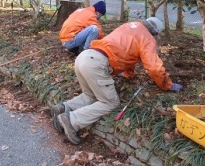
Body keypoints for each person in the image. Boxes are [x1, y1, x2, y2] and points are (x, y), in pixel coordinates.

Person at [51, 17, 183, 145]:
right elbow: (154, 68)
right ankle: (71, 120)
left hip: (84, 56)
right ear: (155, 32)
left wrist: (128, 75)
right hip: (97, 64)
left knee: (91, 95)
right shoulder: (148, 39)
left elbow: (127, 54)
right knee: (110, 102)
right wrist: (167, 85)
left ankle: (63, 108)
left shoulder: (130, 26)